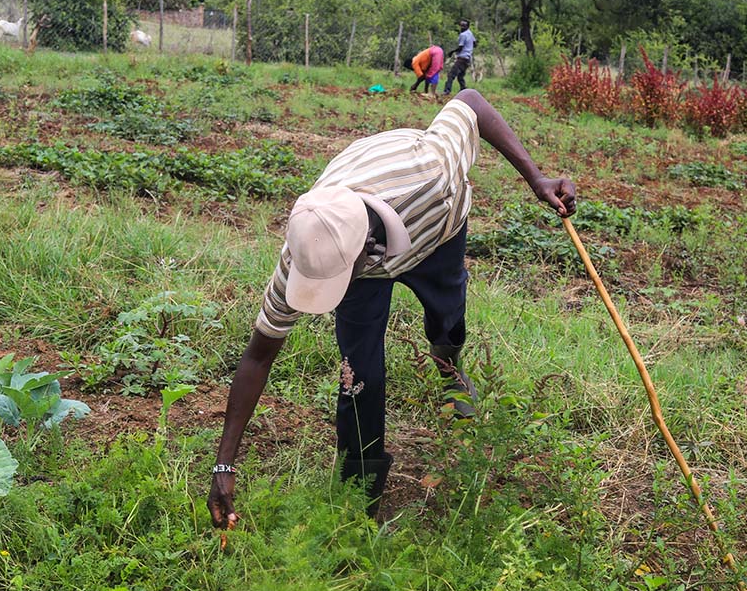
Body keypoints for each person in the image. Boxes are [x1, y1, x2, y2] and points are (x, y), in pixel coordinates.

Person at [207, 89, 576, 525]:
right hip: (365, 252)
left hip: (435, 232)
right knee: (358, 376)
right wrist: (223, 465)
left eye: (335, 280)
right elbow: (258, 354)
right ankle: (359, 500)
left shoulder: (430, 170)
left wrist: (536, 178)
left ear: (366, 248)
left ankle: (448, 366)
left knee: (447, 322)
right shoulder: (309, 247)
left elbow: (471, 102)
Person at [442, 19, 476, 95]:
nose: (462, 27)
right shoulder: (470, 33)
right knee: (460, 76)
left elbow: (460, 47)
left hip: (462, 58)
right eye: (461, 25)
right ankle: (463, 90)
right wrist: (469, 48)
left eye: (464, 26)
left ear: (467, 26)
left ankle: (447, 91)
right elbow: (475, 43)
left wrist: (452, 52)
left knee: (451, 75)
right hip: (467, 58)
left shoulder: (463, 35)